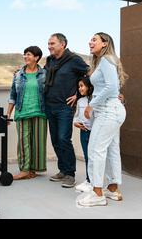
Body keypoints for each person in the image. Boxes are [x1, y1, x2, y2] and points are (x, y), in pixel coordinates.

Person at [77, 33, 127, 207]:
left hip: (108, 111)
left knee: (95, 149)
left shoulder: (106, 59)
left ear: (105, 43)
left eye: (94, 40)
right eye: (90, 39)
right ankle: (112, 188)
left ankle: (97, 192)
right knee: (112, 149)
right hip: (113, 110)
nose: (90, 42)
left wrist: (92, 105)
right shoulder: (106, 60)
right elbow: (113, 87)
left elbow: (112, 87)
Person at [44, 33, 89, 188]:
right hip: (50, 105)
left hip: (65, 107)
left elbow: (88, 75)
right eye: (48, 43)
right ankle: (62, 170)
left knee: (64, 139)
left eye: (52, 43)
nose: (49, 46)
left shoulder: (74, 60)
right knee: (56, 139)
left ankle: (70, 174)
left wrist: (78, 94)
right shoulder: (49, 60)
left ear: (62, 44)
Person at [7, 46, 47, 180]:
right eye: (24, 54)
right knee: (23, 142)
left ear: (36, 57)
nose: (25, 57)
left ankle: (33, 170)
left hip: (40, 112)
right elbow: (13, 94)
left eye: (28, 54)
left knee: (38, 142)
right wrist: (8, 114)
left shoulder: (45, 74)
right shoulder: (18, 74)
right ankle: (24, 170)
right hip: (22, 112)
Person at [73, 76, 94, 193]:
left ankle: (94, 181)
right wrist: (76, 123)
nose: (80, 88)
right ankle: (88, 180)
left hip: (94, 132)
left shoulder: (95, 101)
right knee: (87, 156)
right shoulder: (80, 101)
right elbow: (76, 116)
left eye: (82, 86)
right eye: (79, 86)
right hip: (83, 132)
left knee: (93, 157)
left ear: (89, 87)